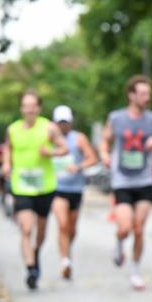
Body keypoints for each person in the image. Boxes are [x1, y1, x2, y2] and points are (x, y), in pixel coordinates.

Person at [99, 75, 152, 290]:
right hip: (122, 181)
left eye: (148, 93)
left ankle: (135, 271)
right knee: (124, 227)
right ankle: (118, 245)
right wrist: (104, 154)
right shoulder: (116, 118)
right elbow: (105, 139)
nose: (147, 97)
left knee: (138, 229)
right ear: (131, 95)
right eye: (142, 93)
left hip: (145, 180)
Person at [2, 90, 68, 290]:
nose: (29, 109)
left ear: (38, 108)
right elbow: (8, 148)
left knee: (41, 231)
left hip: (44, 187)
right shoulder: (12, 129)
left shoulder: (49, 127)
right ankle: (31, 268)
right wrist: (6, 163)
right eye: (26, 106)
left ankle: (36, 251)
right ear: (21, 108)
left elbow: (64, 148)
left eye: (33, 106)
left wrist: (51, 152)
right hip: (21, 186)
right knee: (26, 228)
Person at [50, 105, 98, 280]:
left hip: (76, 189)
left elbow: (92, 158)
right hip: (57, 189)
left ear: (70, 122)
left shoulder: (78, 138)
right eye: (60, 122)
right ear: (54, 123)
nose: (63, 126)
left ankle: (66, 252)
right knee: (62, 224)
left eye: (66, 122)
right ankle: (65, 261)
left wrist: (78, 167)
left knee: (71, 229)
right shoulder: (49, 139)